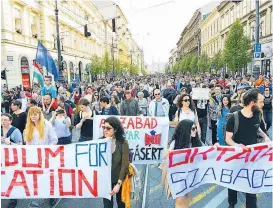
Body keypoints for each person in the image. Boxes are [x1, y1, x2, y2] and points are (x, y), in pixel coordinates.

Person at [224, 89, 270, 208]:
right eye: (260, 102)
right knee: (233, 182)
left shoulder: (257, 115)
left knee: (251, 186)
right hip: (236, 157)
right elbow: (228, 138)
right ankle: (232, 203)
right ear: (252, 103)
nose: (263, 104)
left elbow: (257, 128)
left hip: (252, 158)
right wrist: (236, 145)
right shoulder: (234, 118)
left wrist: (265, 137)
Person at [162, 119, 202, 208]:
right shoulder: (175, 143)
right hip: (177, 176)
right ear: (185, 130)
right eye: (193, 129)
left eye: (195, 128)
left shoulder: (196, 142)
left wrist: (216, 147)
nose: (195, 130)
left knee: (187, 196)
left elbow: (207, 151)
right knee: (179, 200)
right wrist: (167, 153)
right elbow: (166, 157)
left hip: (190, 174)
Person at [101, 117, 129, 208]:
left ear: (116, 129)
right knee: (107, 205)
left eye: (108, 128)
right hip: (105, 180)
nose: (105, 130)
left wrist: (118, 184)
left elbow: (124, 165)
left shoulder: (123, 143)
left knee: (121, 204)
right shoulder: (100, 142)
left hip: (119, 179)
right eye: (104, 128)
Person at [1, 113, 23, 208]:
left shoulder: (15, 131)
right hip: (2, 159)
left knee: (11, 179)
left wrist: (9, 143)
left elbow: (21, 147)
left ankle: (13, 199)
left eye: (5, 120)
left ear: (10, 121)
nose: (3, 122)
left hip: (12, 160)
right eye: (1, 120)